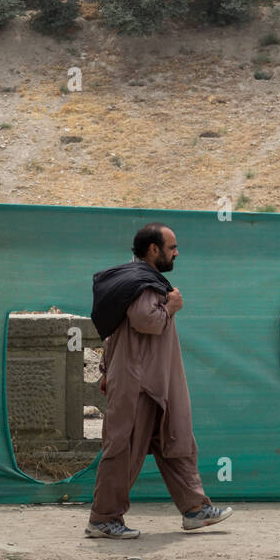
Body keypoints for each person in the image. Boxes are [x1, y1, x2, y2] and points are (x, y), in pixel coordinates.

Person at [86, 221, 233, 539]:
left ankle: (195, 509)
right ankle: (103, 519)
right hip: (139, 383)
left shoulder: (131, 280)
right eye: (172, 247)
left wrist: (106, 369)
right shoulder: (145, 284)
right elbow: (145, 320)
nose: (176, 253)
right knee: (123, 448)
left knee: (175, 441)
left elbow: (114, 333)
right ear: (154, 250)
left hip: (151, 381)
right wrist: (172, 306)